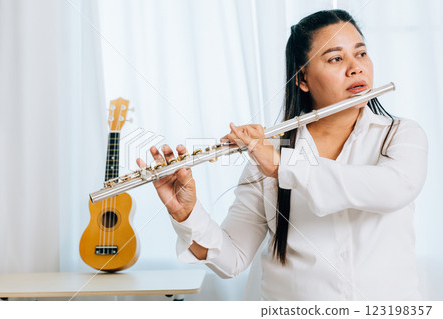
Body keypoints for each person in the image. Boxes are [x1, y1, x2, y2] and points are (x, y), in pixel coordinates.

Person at [136, 9, 427, 300]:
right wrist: (184, 212)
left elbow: (393, 188)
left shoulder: (401, 135)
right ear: (303, 79)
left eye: (361, 54)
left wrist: (282, 166)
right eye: (336, 58)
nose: (356, 68)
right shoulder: (269, 153)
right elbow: (232, 259)